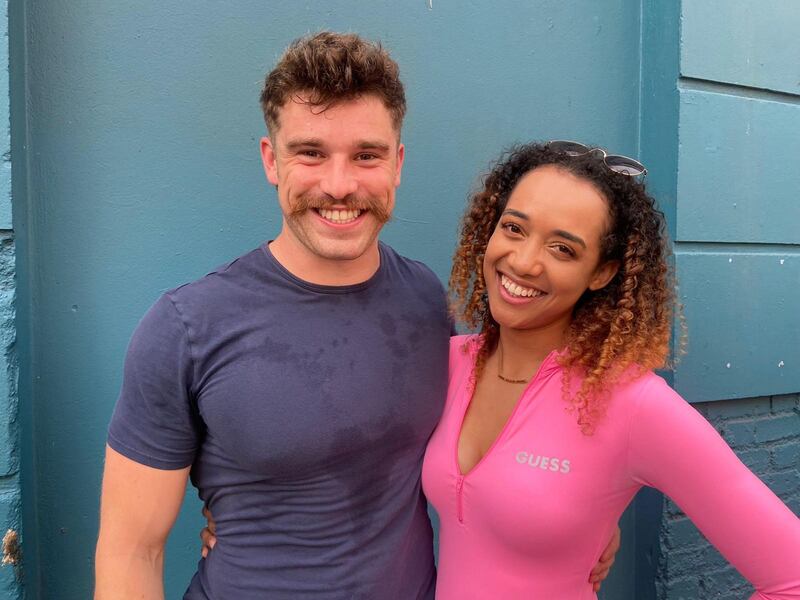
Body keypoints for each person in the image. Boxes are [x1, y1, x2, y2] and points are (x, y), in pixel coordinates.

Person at [94, 34, 618, 599]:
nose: (339, 185)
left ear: (397, 163)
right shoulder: (185, 327)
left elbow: (492, 430)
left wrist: (576, 509)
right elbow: (131, 551)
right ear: (272, 160)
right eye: (310, 153)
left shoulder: (424, 299)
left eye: (366, 155)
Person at [419, 141, 800, 599]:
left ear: (601, 273)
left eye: (563, 248)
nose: (522, 261)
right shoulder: (447, 363)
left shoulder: (632, 403)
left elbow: (791, 578)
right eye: (514, 228)